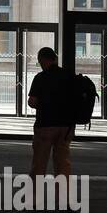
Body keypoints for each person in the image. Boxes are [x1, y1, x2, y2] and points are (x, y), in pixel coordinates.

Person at [27, 46, 74, 184]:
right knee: (63, 165)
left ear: (43, 59)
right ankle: (63, 199)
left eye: (40, 61)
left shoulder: (41, 77)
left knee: (39, 165)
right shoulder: (68, 75)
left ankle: (35, 199)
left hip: (45, 124)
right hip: (66, 126)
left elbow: (32, 101)